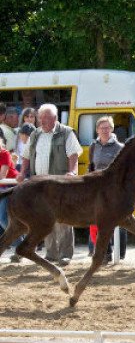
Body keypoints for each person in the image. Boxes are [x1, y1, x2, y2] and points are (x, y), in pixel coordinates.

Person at [17, 103, 83, 266]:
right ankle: (51, 253)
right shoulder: (35, 134)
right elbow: (26, 155)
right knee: (44, 219)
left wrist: (73, 172)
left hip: (60, 185)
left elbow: (73, 155)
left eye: (46, 117)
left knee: (64, 219)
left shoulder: (66, 132)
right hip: (39, 186)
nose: (42, 121)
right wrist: (22, 172)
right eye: (41, 117)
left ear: (55, 118)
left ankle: (65, 254)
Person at [88, 116, 127, 264]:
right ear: (97, 130)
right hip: (97, 188)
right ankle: (105, 252)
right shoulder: (93, 146)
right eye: (101, 128)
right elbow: (91, 167)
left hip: (114, 189)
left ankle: (119, 252)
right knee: (98, 221)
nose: (104, 130)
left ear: (112, 129)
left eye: (107, 127)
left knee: (117, 220)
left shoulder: (120, 147)